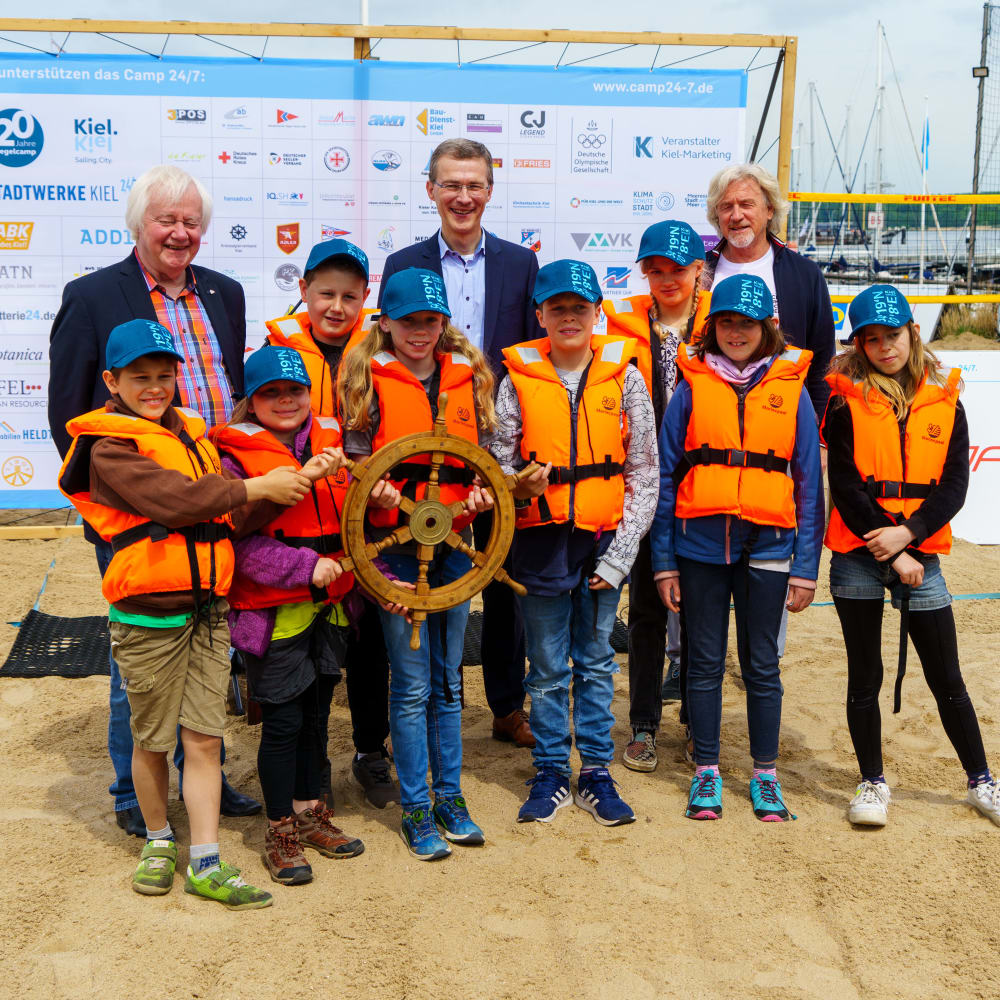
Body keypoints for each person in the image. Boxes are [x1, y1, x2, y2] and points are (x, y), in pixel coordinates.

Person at [57, 320, 312, 907]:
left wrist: (291, 484)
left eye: (164, 375)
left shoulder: (194, 439)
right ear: (111, 381)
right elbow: (173, 502)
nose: (155, 387)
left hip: (208, 610)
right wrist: (256, 489)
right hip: (148, 616)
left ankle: (206, 857)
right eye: (140, 377)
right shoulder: (110, 448)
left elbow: (223, 517)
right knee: (150, 740)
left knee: (204, 740)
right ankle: (156, 838)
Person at [48, 164, 259, 835]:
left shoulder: (225, 293)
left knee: (205, 644)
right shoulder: (93, 296)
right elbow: (68, 415)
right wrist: (128, 503)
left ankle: (208, 778)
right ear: (137, 225)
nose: (179, 232)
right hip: (139, 521)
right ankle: (129, 796)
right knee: (136, 660)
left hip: (217, 509)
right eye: (166, 220)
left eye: (191, 221)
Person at [380, 138, 542, 749]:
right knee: (424, 566)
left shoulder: (520, 265)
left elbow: (530, 356)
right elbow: (388, 356)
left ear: (491, 191)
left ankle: (505, 704)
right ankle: (415, 703)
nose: (463, 196)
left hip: (496, 441)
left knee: (500, 571)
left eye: (474, 185)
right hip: (423, 447)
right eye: (451, 184)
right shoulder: (402, 263)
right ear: (430, 190)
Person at [211, 345, 391, 884]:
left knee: (316, 719)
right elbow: (232, 540)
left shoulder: (334, 443)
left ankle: (312, 812)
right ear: (252, 400)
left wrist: (379, 497)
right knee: (283, 725)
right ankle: (280, 827)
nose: (285, 400)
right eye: (271, 392)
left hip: (331, 612)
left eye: (294, 390)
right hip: (275, 617)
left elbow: (358, 516)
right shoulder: (233, 459)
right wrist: (303, 566)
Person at [822, 285, 1000, 828]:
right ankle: (873, 783)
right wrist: (890, 545)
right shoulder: (842, 399)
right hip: (859, 552)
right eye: (870, 339)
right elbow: (847, 486)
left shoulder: (948, 399)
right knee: (864, 675)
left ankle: (982, 782)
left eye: (892, 334)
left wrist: (909, 537)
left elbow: (953, 487)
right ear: (859, 343)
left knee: (947, 674)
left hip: (918, 550)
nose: (884, 347)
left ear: (912, 332)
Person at [651, 274, 824, 823]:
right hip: (700, 547)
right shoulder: (691, 387)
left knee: (761, 664)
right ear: (712, 327)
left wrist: (805, 568)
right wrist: (663, 561)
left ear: (767, 329)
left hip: (771, 546)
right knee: (702, 663)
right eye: (726, 322)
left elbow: (808, 486)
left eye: (746, 323)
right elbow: (666, 478)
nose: (735, 332)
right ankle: (707, 771)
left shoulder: (792, 391)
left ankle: (765, 775)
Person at [491, 259, 658, 826]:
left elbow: (645, 474)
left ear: (597, 314)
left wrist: (619, 558)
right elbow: (496, 465)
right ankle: (550, 771)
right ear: (540, 314)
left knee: (594, 661)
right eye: (557, 308)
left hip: (603, 542)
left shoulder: (626, 378)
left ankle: (595, 772)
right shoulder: (516, 380)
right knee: (545, 668)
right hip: (541, 544)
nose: (568, 317)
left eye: (579, 308)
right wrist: (516, 486)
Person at [339, 268, 496, 860]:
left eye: (432, 322)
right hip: (396, 552)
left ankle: (450, 796)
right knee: (408, 687)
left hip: (454, 552)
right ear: (386, 322)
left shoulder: (468, 381)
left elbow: (480, 464)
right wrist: (374, 489)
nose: (422, 334)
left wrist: (482, 496)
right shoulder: (366, 381)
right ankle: (414, 806)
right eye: (410, 322)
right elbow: (355, 463)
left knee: (449, 682)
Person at [265, 239, 399, 809]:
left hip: (366, 517)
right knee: (301, 639)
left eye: (349, 295)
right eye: (325, 293)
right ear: (303, 292)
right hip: (299, 523)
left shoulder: (381, 353)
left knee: (369, 644)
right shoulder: (274, 355)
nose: (336, 306)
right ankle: (300, 764)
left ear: (365, 298)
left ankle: (371, 749)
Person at [603, 220, 710, 772]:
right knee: (645, 609)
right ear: (644, 271)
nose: (667, 279)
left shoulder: (728, 321)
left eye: (678, 269)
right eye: (656, 270)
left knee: (699, 613)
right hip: (643, 484)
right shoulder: (619, 326)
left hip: (704, 486)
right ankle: (644, 721)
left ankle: (698, 721)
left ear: (699, 269)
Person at [702, 163, 834, 422]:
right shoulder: (701, 272)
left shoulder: (804, 275)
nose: (736, 215)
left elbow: (822, 361)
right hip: (712, 423)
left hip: (785, 423)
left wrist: (819, 436)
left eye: (746, 204)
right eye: (726, 207)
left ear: (769, 210)